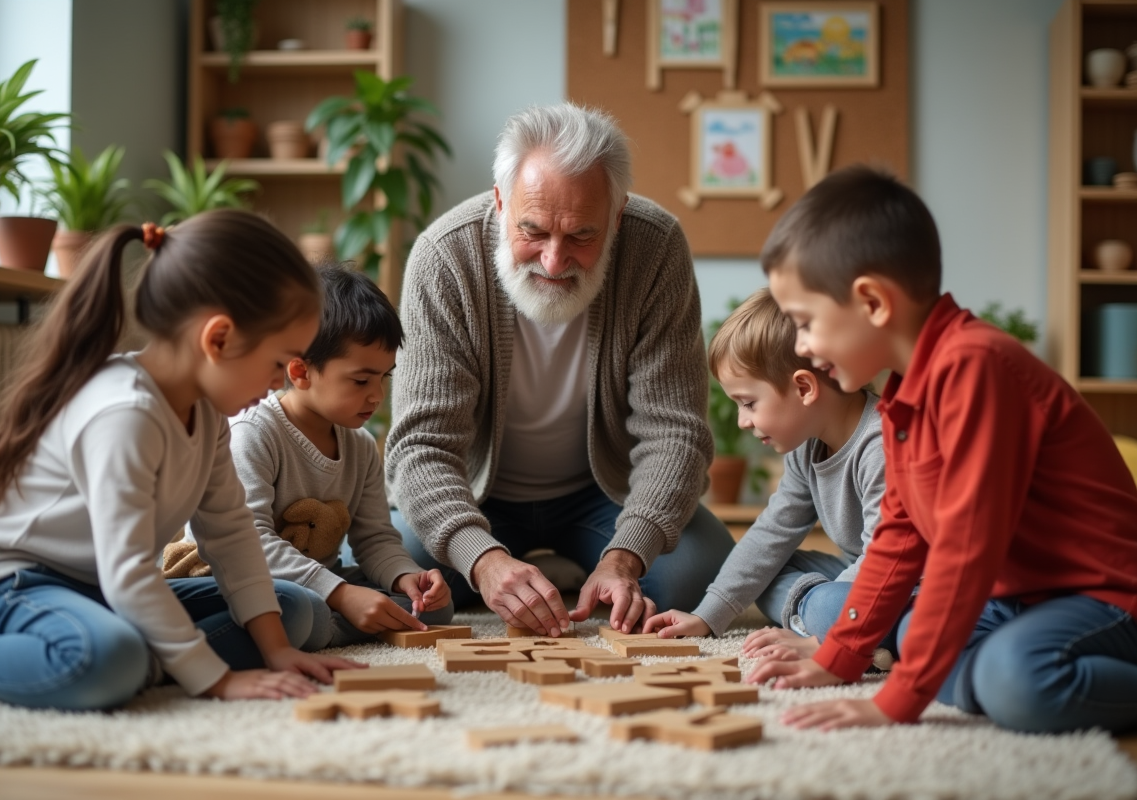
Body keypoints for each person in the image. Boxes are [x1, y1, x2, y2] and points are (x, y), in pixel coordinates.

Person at [746, 165, 1137, 734]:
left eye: (804, 323)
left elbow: (964, 547)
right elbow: (901, 535)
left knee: (1010, 677)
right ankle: (1000, 681)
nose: (802, 346)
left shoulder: (978, 368)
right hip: (1018, 600)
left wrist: (894, 701)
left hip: (1105, 598)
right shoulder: (904, 397)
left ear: (872, 301)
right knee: (914, 638)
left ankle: (1009, 682)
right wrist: (840, 657)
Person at [0, 211, 365, 710]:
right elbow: (128, 571)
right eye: (277, 362)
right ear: (219, 339)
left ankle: (138, 660)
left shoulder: (208, 413)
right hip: (14, 583)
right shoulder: (126, 414)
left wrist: (276, 651)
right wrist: (217, 681)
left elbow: (230, 532)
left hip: (104, 587)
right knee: (105, 658)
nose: (281, 382)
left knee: (290, 610)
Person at [385, 103, 734, 638]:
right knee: (405, 585)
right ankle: (541, 570)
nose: (553, 260)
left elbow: (674, 432)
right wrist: (483, 560)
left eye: (581, 236)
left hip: (605, 494)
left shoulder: (656, 247)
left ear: (616, 216)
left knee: (692, 576)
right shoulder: (443, 256)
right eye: (533, 230)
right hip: (476, 493)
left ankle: (583, 566)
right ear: (501, 202)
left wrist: (625, 556)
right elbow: (421, 446)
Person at [201, 264, 454, 650]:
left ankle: (329, 625)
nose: (377, 396)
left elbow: (375, 538)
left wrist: (406, 577)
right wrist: (340, 594)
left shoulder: (361, 445)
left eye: (384, 378)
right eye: (361, 380)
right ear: (301, 372)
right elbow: (247, 543)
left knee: (434, 609)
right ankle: (323, 625)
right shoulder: (252, 433)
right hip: (240, 580)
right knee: (307, 614)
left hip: (317, 582)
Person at [643, 289, 895, 669]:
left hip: (908, 584)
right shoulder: (807, 447)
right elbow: (771, 534)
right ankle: (847, 631)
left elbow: (885, 561)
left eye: (748, 403)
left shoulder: (881, 445)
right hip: (855, 579)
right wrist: (708, 615)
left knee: (829, 603)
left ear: (804, 388)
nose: (743, 421)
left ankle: (837, 632)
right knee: (768, 571)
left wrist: (826, 630)